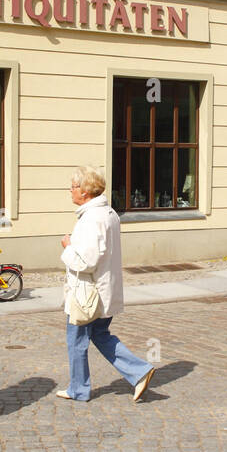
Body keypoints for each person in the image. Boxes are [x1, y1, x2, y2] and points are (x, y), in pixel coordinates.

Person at [56, 166, 155, 404]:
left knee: (77, 340)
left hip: (88, 294)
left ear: (86, 191)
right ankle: (139, 371)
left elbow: (86, 261)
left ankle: (79, 389)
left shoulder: (92, 218)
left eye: (73, 186)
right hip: (102, 290)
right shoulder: (108, 213)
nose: (70, 191)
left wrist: (67, 246)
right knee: (100, 334)